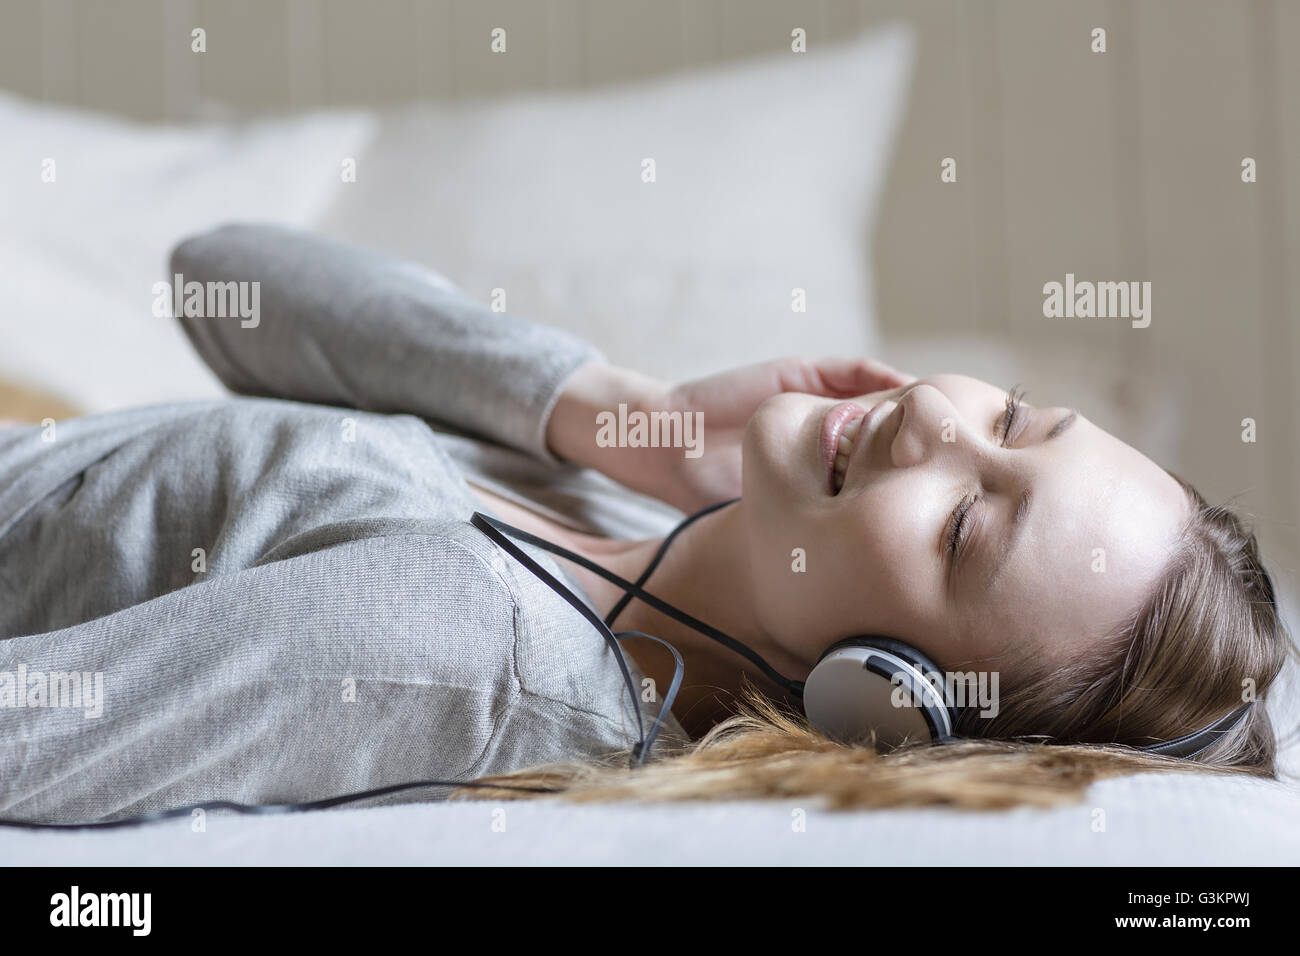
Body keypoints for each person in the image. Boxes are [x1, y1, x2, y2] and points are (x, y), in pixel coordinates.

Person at [0, 224, 1289, 822]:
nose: (932, 428)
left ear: (886, 703)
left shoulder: (468, 643)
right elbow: (227, 280)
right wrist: (613, 409)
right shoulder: (632, 505)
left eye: (964, 530)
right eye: (1012, 420)